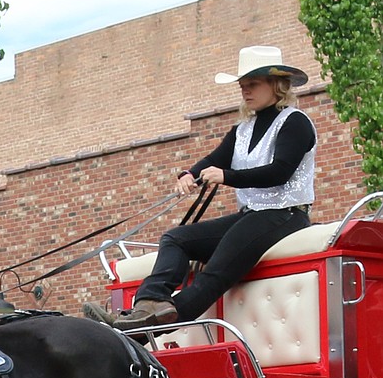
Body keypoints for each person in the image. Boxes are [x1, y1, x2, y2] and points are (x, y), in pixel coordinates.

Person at [88, 45, 315, 329]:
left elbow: (280, 172)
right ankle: (147, 304)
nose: (245, 91)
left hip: (285, 215)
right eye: (242, 86)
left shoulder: (295, 122)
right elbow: (215, 159)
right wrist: (189, 173)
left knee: (215, 273)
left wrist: (226, 176)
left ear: (276, 84)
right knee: (176, 238)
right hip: (252, 215)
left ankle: (139, 331)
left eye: (252, 84)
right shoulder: (243, 129)